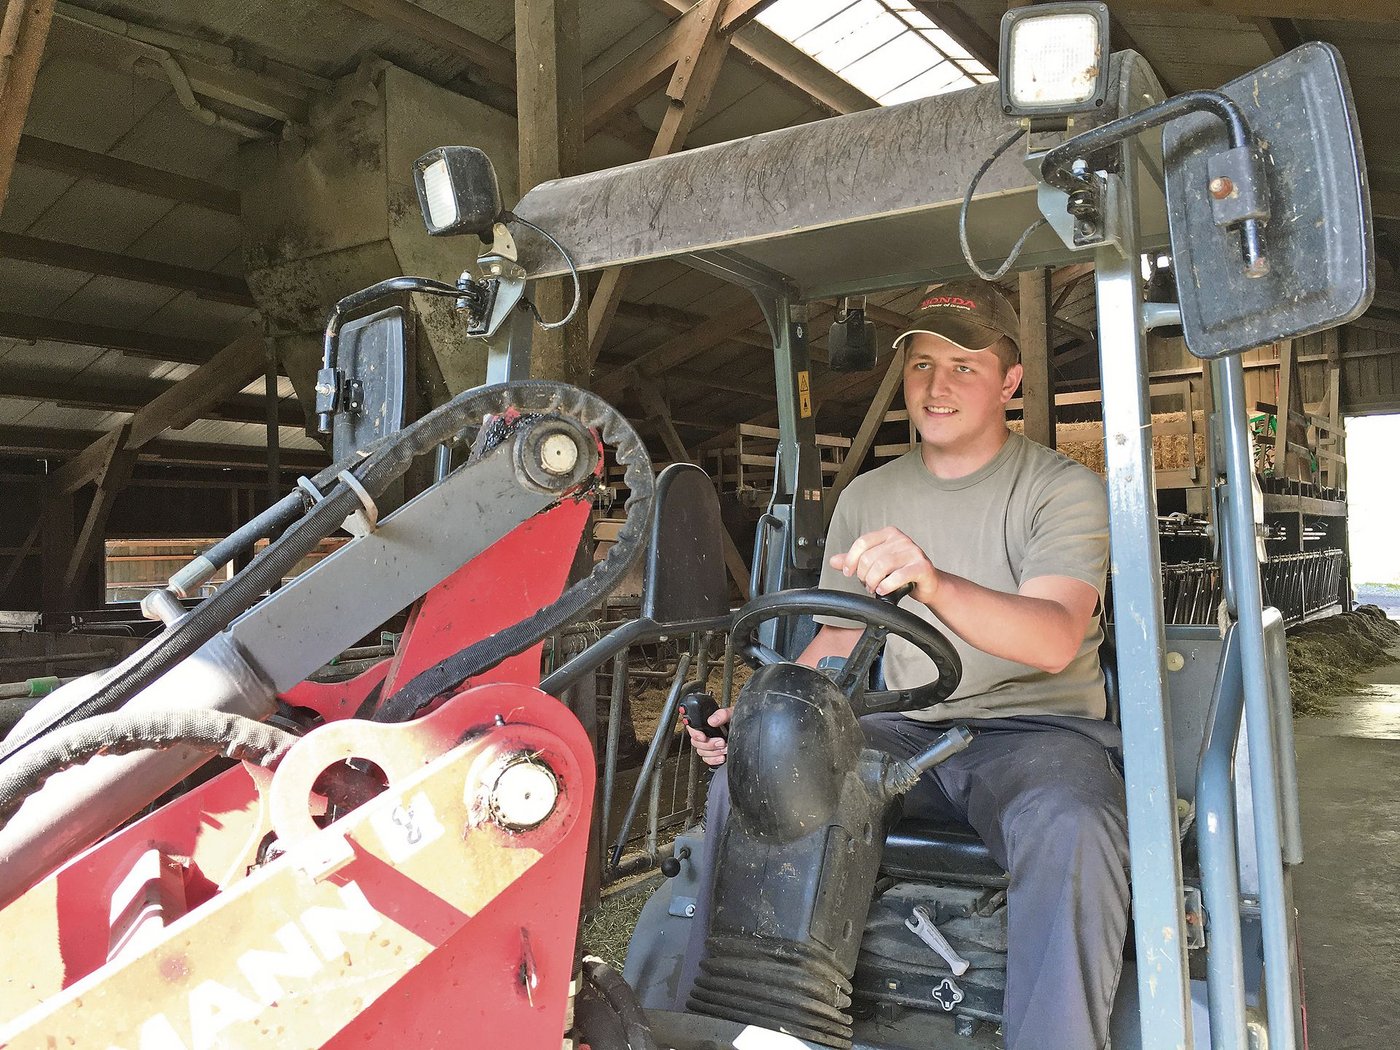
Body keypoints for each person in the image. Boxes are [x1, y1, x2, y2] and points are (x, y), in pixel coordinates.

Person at [683, 279, 1129, 1050]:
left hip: (1034, 737)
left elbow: (1055, 635)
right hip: (899, 731)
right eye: (922, 365)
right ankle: (734, 1026)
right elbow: (835, 641)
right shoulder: (867, 496)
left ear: (1009, 380)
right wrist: (762, 719)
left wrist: (938, 583)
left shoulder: (1064, 491)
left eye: (963, 365)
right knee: (747, 784)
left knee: (1075, 822)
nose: (937, 385)